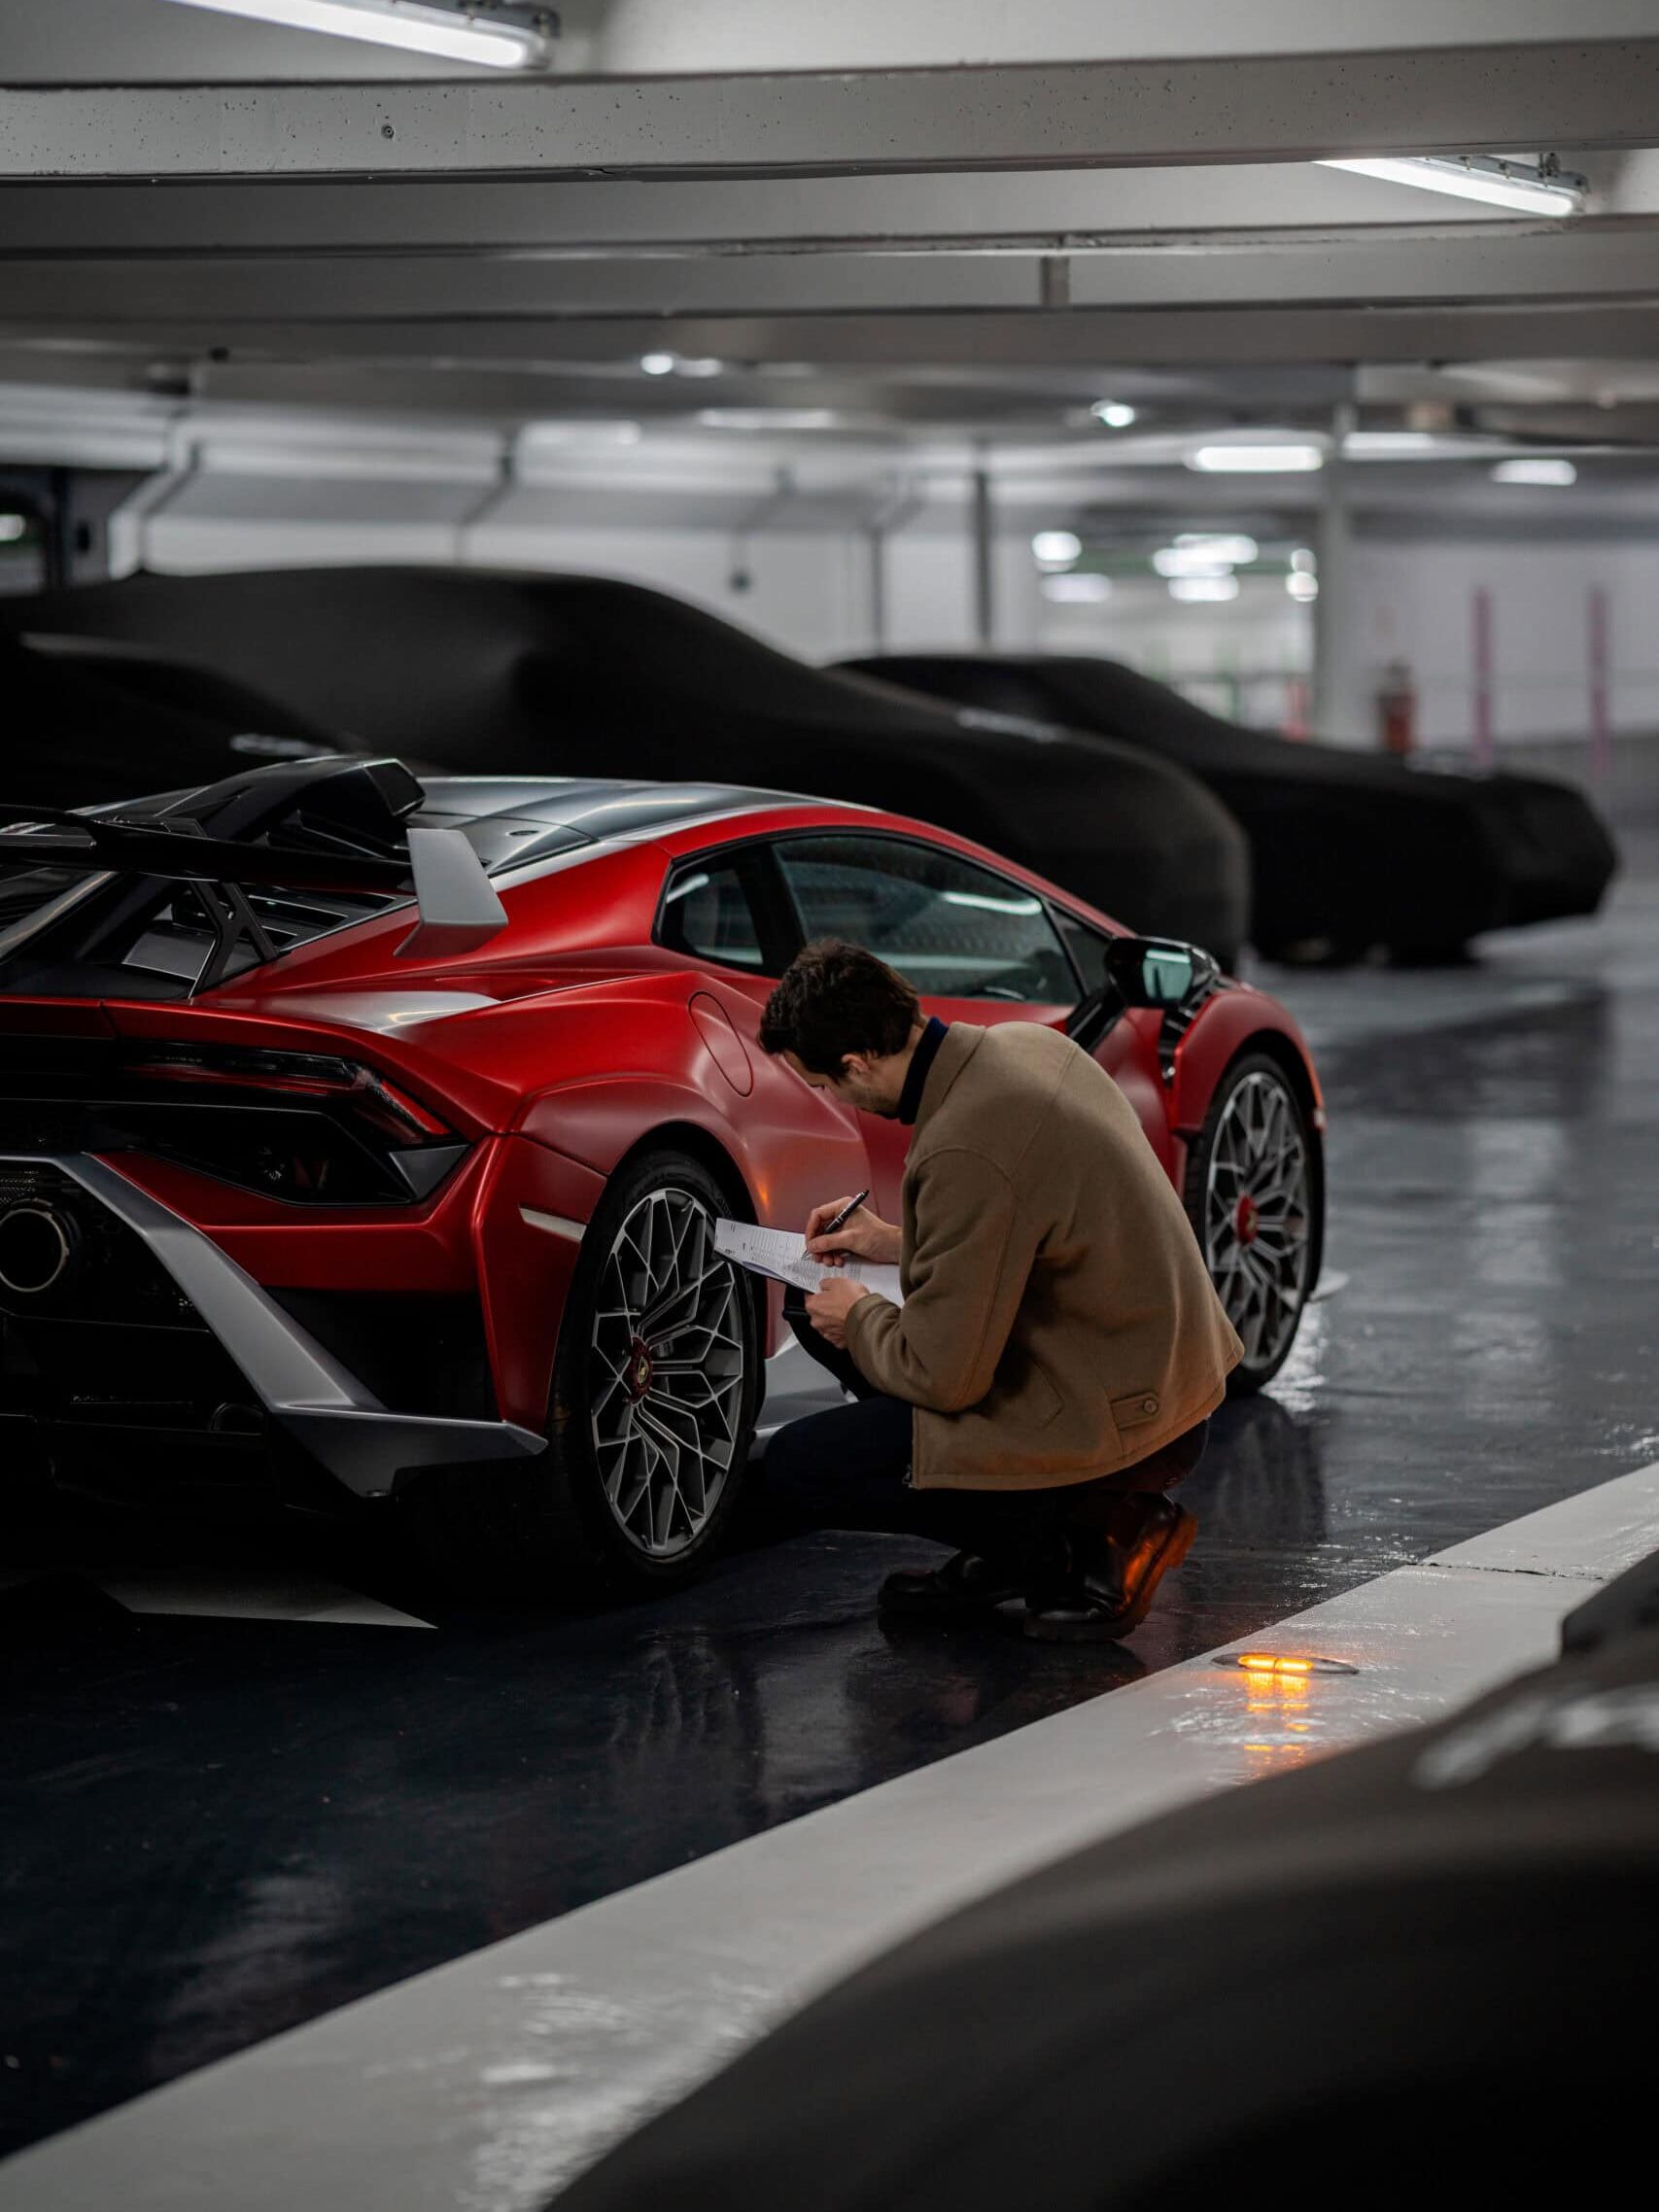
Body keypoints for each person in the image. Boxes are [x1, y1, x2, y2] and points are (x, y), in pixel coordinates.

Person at [755, 939, 1244, 1642]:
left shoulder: (964, 1142)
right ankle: (1017, 1535)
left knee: (801, 1467)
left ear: (857, 1063)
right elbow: (1039, 1232)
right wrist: (888, 1242)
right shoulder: (1022, 1049)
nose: (836, 1100)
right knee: (816, 1310)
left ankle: (1076, 1543)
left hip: (1123, 1422)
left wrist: (859, 1312)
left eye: (827, 1085)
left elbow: (944, 1377)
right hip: (1164, 1376)